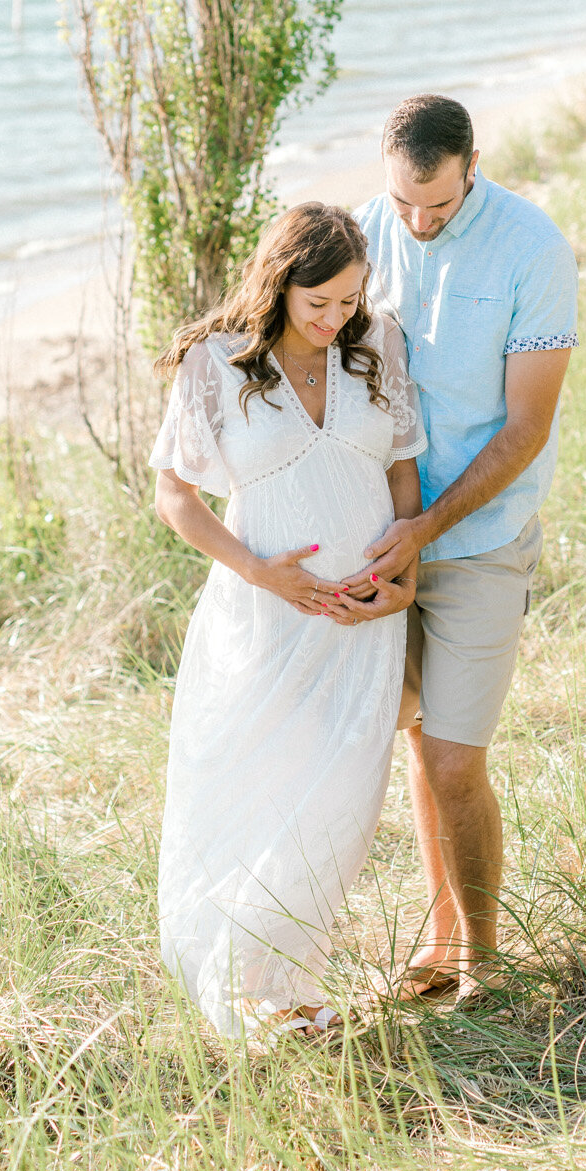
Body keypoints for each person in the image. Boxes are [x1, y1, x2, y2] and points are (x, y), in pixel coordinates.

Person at [150, 202, 425, 1039]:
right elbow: (174, 498)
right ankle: (248, 990)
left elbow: (405, 476)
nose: (336, 318)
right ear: (279, 285)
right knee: (261, 792)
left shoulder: (376, 344)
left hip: (361, 624)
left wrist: (402, 581)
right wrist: (261, 573)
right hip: (264, 622)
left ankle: (282, 982)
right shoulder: (215, 361)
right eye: (319, 304)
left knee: (338, 805)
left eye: (349, 300)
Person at [338, 94, 578, 1003]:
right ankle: (438, 943)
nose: (417, 222)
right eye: (403, 202)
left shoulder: (533, 250)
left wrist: (426, 529)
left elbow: (525, 428)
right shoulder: (369, 227)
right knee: (409, 740)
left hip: (478, 540)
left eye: (436, 204)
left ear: (472, 163)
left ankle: (485, 960)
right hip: (384, 532)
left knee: (451, 757)